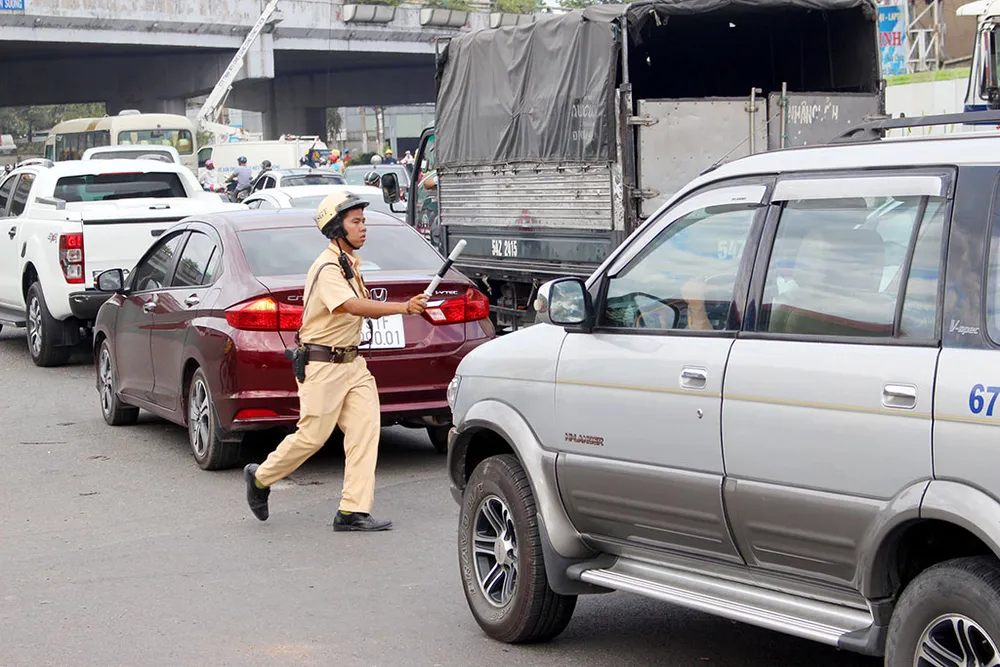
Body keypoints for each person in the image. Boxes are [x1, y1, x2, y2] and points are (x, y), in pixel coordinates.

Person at [243, 191, 429, 532]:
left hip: (353, 364)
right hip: (323, 364)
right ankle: (261, 476)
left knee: (365, 431)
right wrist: (404, 308)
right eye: (355, 222)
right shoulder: (328, 267)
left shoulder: (349, 264)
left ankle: (352, 511)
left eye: (363, 221)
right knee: (312, 436)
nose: (363, 228)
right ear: (335, 228)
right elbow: (351, 307)